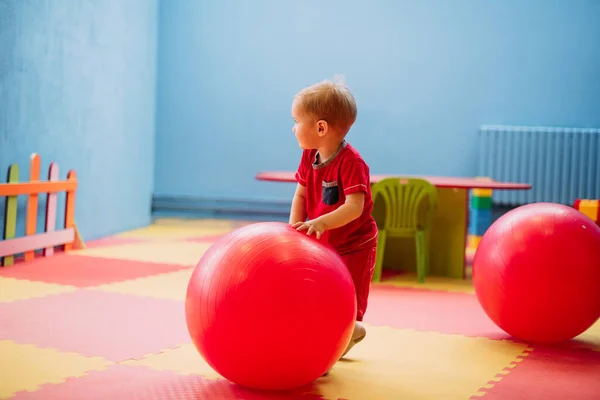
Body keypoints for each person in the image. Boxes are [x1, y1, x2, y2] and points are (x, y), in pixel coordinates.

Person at [288, 76, 378, 372]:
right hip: (323, 240)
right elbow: (301, 192)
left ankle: (345, 334)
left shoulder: (352, 163)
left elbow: (355, 206)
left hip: (354, 245)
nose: (293, 128)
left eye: (297, 121)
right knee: (316, 293)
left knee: (345, 299)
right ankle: (329, 340)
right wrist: (294, 229)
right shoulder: (308, 155)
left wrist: (321, 222)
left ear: (321, 128)